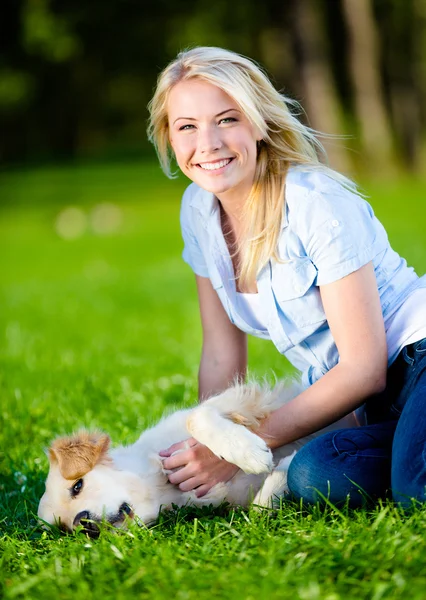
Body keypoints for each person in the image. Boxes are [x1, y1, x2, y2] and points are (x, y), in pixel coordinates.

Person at [147, 46, 426, 507]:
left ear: (259, 124)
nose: (209, 144)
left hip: (416, 358)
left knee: (415, 488)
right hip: (369, 408)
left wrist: (240, 450)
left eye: (227, 119)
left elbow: (363, 368)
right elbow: (220, 352)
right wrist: (207, 442)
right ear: (170, 139)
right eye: (187, 127)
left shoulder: (315, 203)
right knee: (316, 475)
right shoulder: (197, 211)